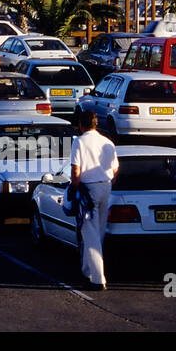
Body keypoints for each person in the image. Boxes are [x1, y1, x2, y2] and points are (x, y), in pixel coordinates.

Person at [69, 110, 119, 290]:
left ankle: (98, 279)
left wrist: (74, 187)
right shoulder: (107, 142)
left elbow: (75, 171)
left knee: (89, 233)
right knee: (99, 230)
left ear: (81, 125)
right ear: (96, 124)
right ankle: (87, 270)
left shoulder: (79, 142)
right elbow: (115, 169)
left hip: (87, 189)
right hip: (106, 187)